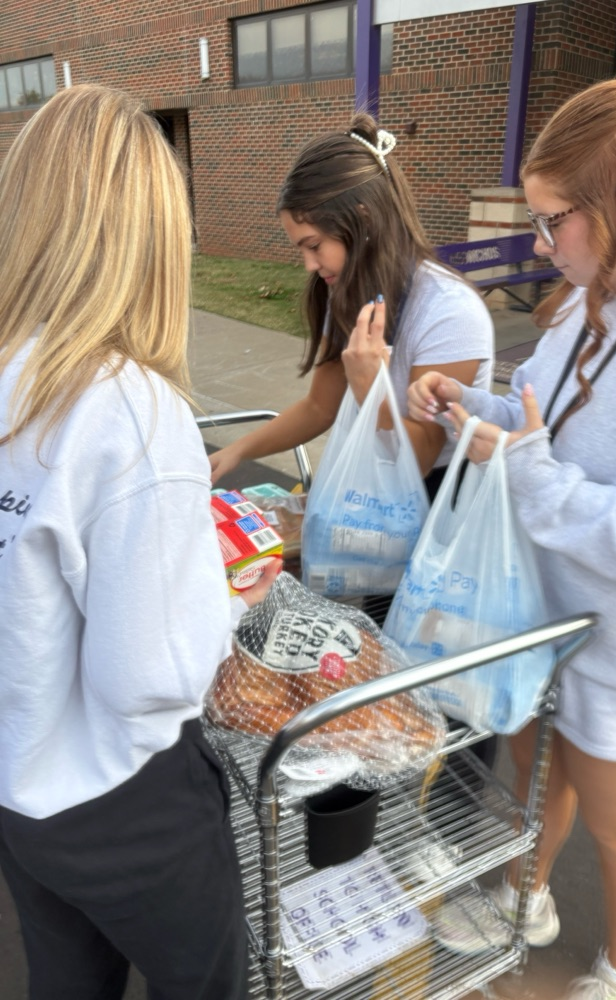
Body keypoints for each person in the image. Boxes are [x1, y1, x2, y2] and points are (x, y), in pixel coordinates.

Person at [408, 48, 616, 1000]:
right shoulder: (584, 309)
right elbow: (536, 422)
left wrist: (518, 464)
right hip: (553, 617)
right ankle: (528, 898)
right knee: (531, 783)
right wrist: (462, 401)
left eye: (553, 219)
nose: (541, 242)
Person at [0, 84, 279, 1000]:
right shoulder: (127, 405)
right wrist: (223, 594)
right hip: (123, 799)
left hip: (20, 775)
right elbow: (150, 674)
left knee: (66, 981)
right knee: (208, 982)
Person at [207, 111, 495, 502]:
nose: (309, 265)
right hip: (371, 489)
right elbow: (319, 407)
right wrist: (236, 451)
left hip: (436, 505)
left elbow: (423, 457)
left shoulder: (450, 312)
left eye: (314, 246)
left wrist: (370, 386)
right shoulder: (349, 289)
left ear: (363, 220)